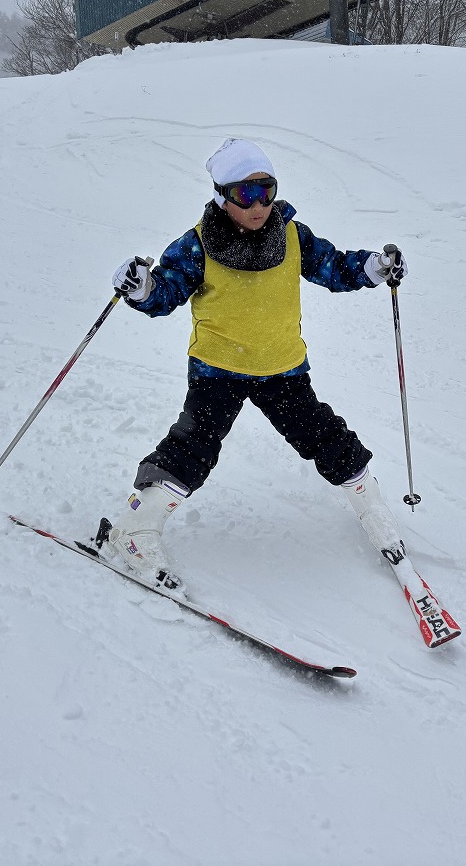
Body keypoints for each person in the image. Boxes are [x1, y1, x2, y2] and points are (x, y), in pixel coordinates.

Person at [105, 138, 409, 596]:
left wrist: (374, 267)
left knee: (326, 437)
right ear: (221, 195)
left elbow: (332, 266)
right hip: (217, 370)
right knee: (193, 447)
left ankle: (375, 513)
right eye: (245, 194)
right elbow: (163, 295)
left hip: (282, 369)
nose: (258, 205)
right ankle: (133, 530)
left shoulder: (291, 235)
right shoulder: (197, 245)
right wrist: (142, 287)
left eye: (266, 190)